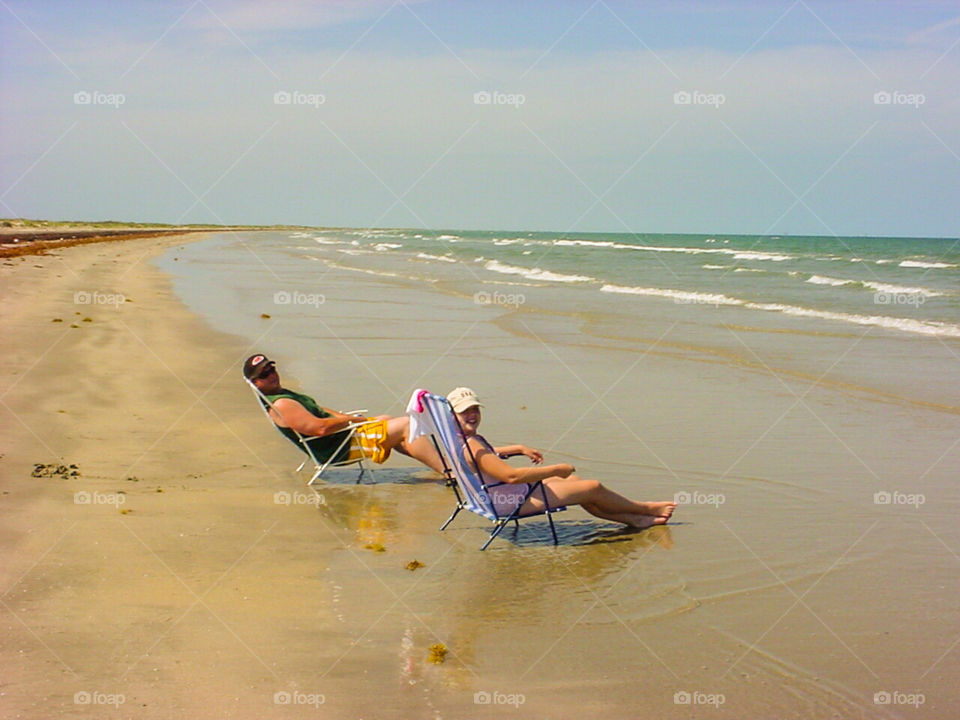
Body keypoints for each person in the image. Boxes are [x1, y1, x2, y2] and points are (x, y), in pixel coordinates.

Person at [446, 387, 676, 529]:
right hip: (508, 501)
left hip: (496, 496)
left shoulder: (457, 439)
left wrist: (518, 448)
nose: (472, 414)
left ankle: (633, 520)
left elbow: (487, 456)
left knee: (577, 485)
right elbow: (512, 475)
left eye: (475, 408)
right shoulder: (471, 446)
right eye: (465, 411)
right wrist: (556, 470)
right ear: (453, 415)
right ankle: (645, 509)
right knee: (592, 487)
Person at [244, 354, 443, 473]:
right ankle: (450, 473)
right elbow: (320, 429)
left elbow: (320, 411)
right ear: (255, 383)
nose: (271, 375)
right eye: (264, 375)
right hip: (339, 448)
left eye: (271, 369)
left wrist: (347, 418)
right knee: (407, 425)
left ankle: (439, 466)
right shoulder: (282, 404)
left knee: (387, 420)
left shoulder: (282, 394)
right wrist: (350, 421)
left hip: (341, 439)